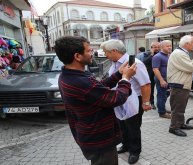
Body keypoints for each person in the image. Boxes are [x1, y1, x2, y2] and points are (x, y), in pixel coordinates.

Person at [55, 36, 136, 165]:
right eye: (88, 51)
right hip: (99, 139)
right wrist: (126, 79)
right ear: (77, 56)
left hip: (91, 134)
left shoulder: (69, 75)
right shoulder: (80, 81)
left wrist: (118, 74)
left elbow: (98, 89)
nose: (92, 53)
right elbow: (116, 98)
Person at [100, 39, 151, 164]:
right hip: (120, 98)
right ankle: (126, 144)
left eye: (106, 52)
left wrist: (146, 103)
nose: (104, 54)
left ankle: (135, 151)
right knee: (121, 124)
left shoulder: (134, 63)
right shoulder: (115, 63)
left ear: (114, 51)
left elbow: (146, 84)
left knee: (133, 127)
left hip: (134, 100)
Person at [167, 35, 193, 137]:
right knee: (177, 107)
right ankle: (174, 127)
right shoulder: (179, 54)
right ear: (186, 44)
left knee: (181, 106)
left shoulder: (182, 52)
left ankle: (180, 124)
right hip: (179, 84)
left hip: (181, 84)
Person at [152, 40, 172, 119]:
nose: (170, 47)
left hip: (168, 79)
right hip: (161, 79)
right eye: (167, 46)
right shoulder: (157, 56)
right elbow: (155, 69)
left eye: (170, 45)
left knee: (165, 95)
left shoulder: (169, 55)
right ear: (162, 47)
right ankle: (162, 112)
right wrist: (161, 80)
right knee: (161, 95)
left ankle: (161, 107)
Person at [141, 42, 160, 109]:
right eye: (155, 47)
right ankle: (151, 102)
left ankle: (160, 103)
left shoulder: (161, 54)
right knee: (151, 90)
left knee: (161, 90)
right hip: (151, 75)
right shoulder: (147, 54)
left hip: (159, 75)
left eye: (158, 47)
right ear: (151, 48)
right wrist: (151, 54)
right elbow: (144, 62)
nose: (157, 48)